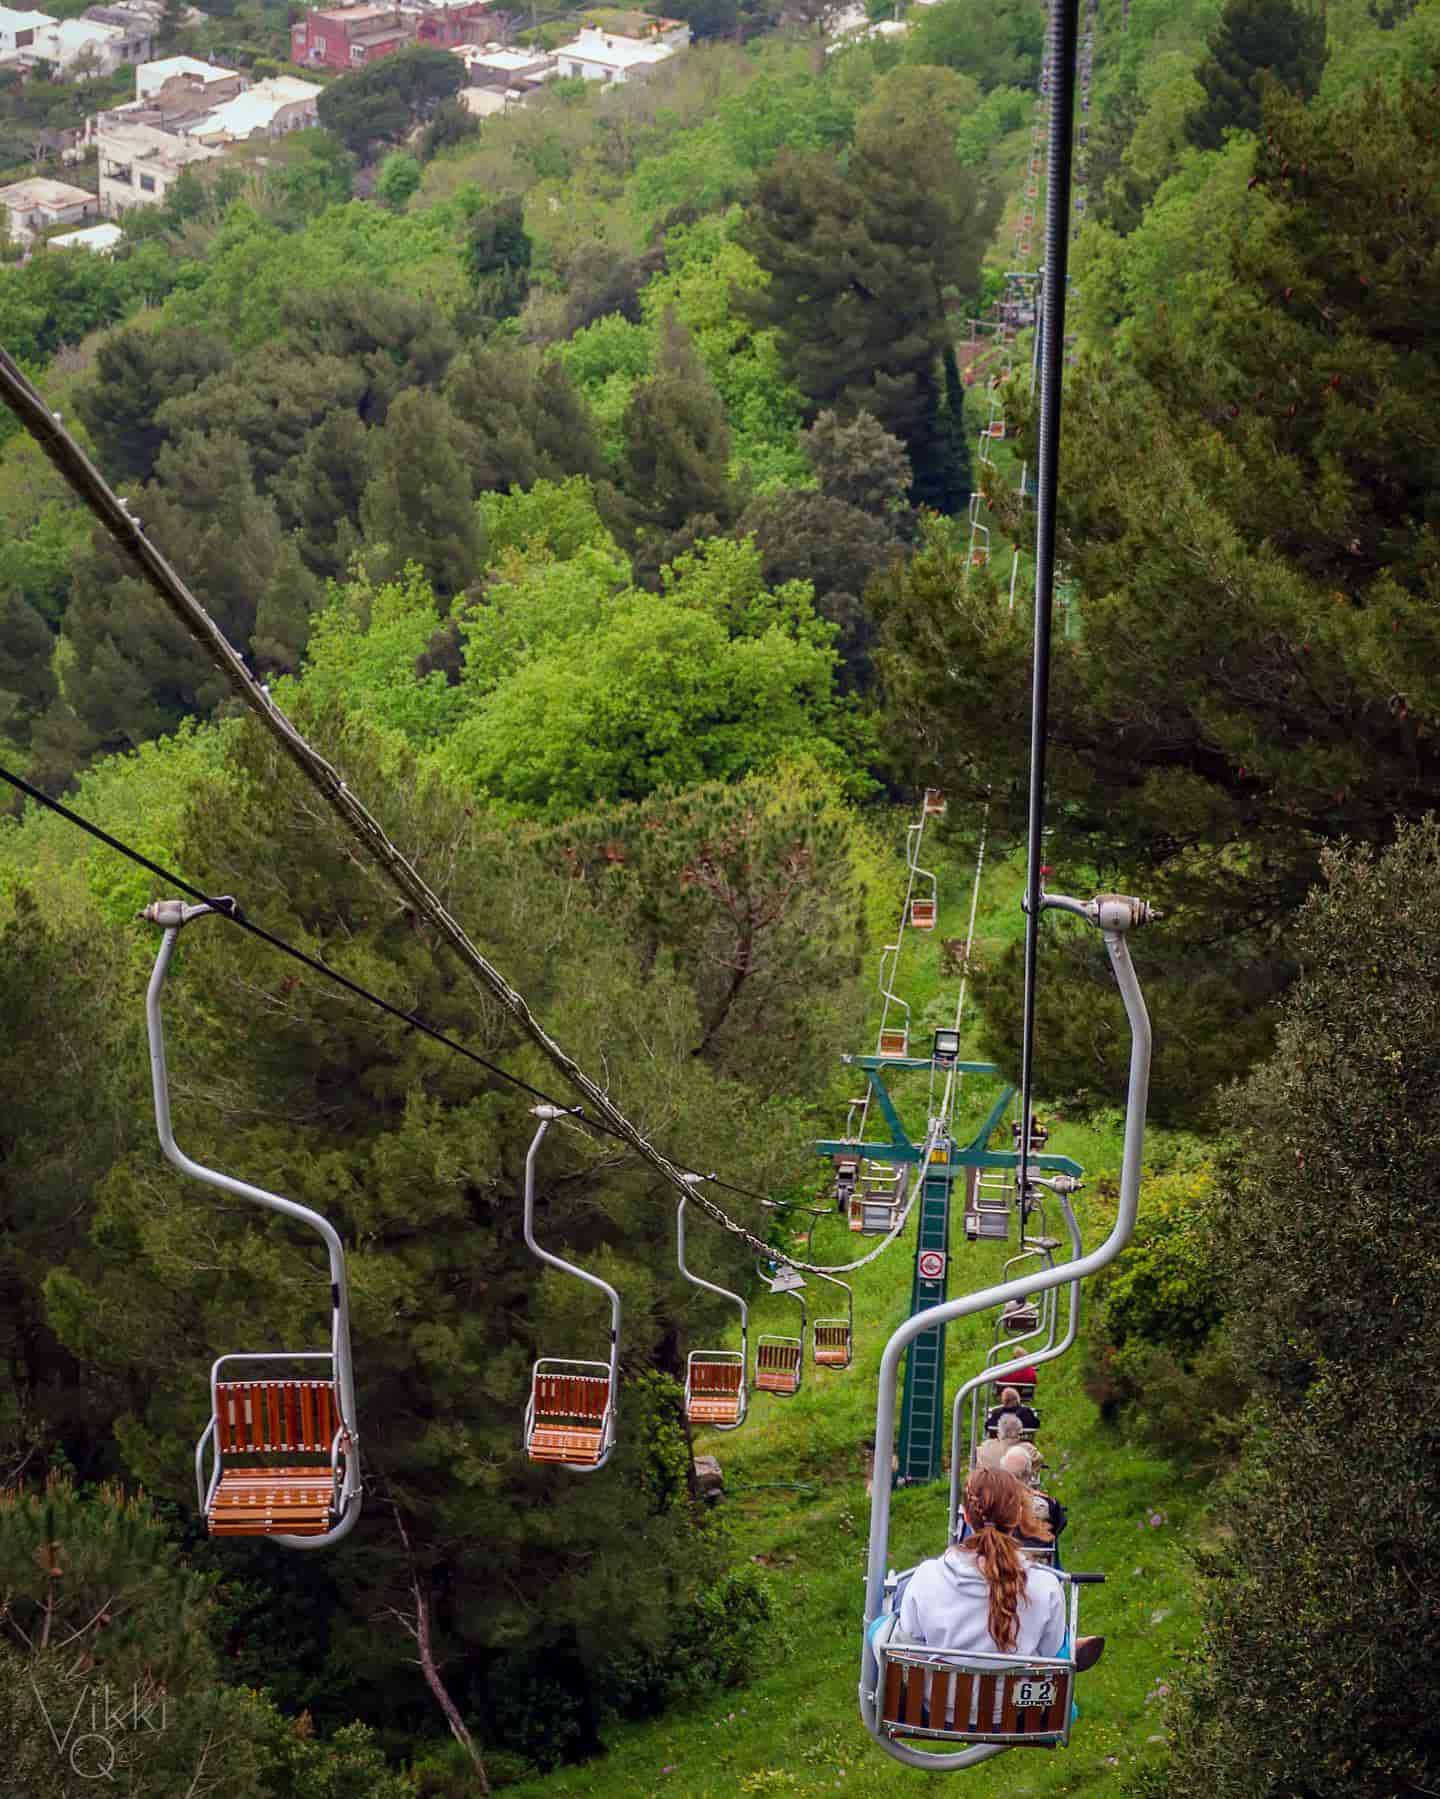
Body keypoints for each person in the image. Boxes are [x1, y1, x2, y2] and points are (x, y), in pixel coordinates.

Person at [896, 1469, 1102, 1674]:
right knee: (1060, 1650)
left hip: (938, 1704)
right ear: (1019, 1515)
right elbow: (1051, 1658)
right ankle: (1073, 1646)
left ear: (966, 1516)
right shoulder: (1045, 1585)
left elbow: (908, 1649)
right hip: (1017, 1705)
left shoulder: (927, 1577)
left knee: (881, 1627)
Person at [1001, 1444, 1068, 1551]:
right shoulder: (1048, 1504)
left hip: (1001, 1559)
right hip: (1040, 1562)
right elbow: (1060, 1525)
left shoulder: (991, 1502)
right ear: (1029, 1473)